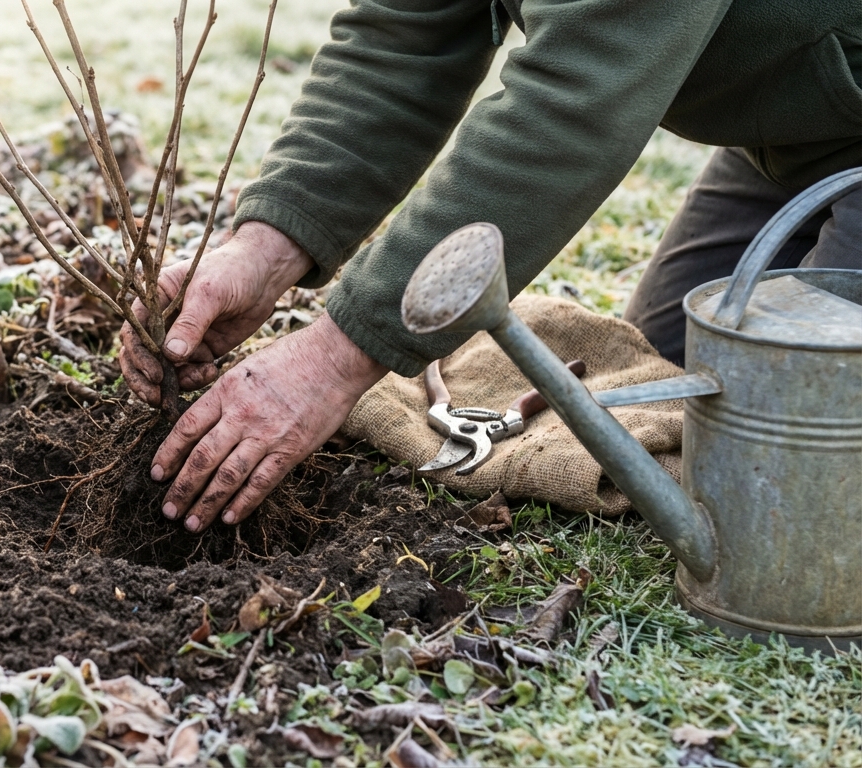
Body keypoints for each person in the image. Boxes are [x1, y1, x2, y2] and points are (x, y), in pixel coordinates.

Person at [119, 0, 862, 534]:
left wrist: (337, 356)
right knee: (666, 393)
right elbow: (404, 34)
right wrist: (266, 243)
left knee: (793, 480)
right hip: (794, 131)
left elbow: (573, 100)